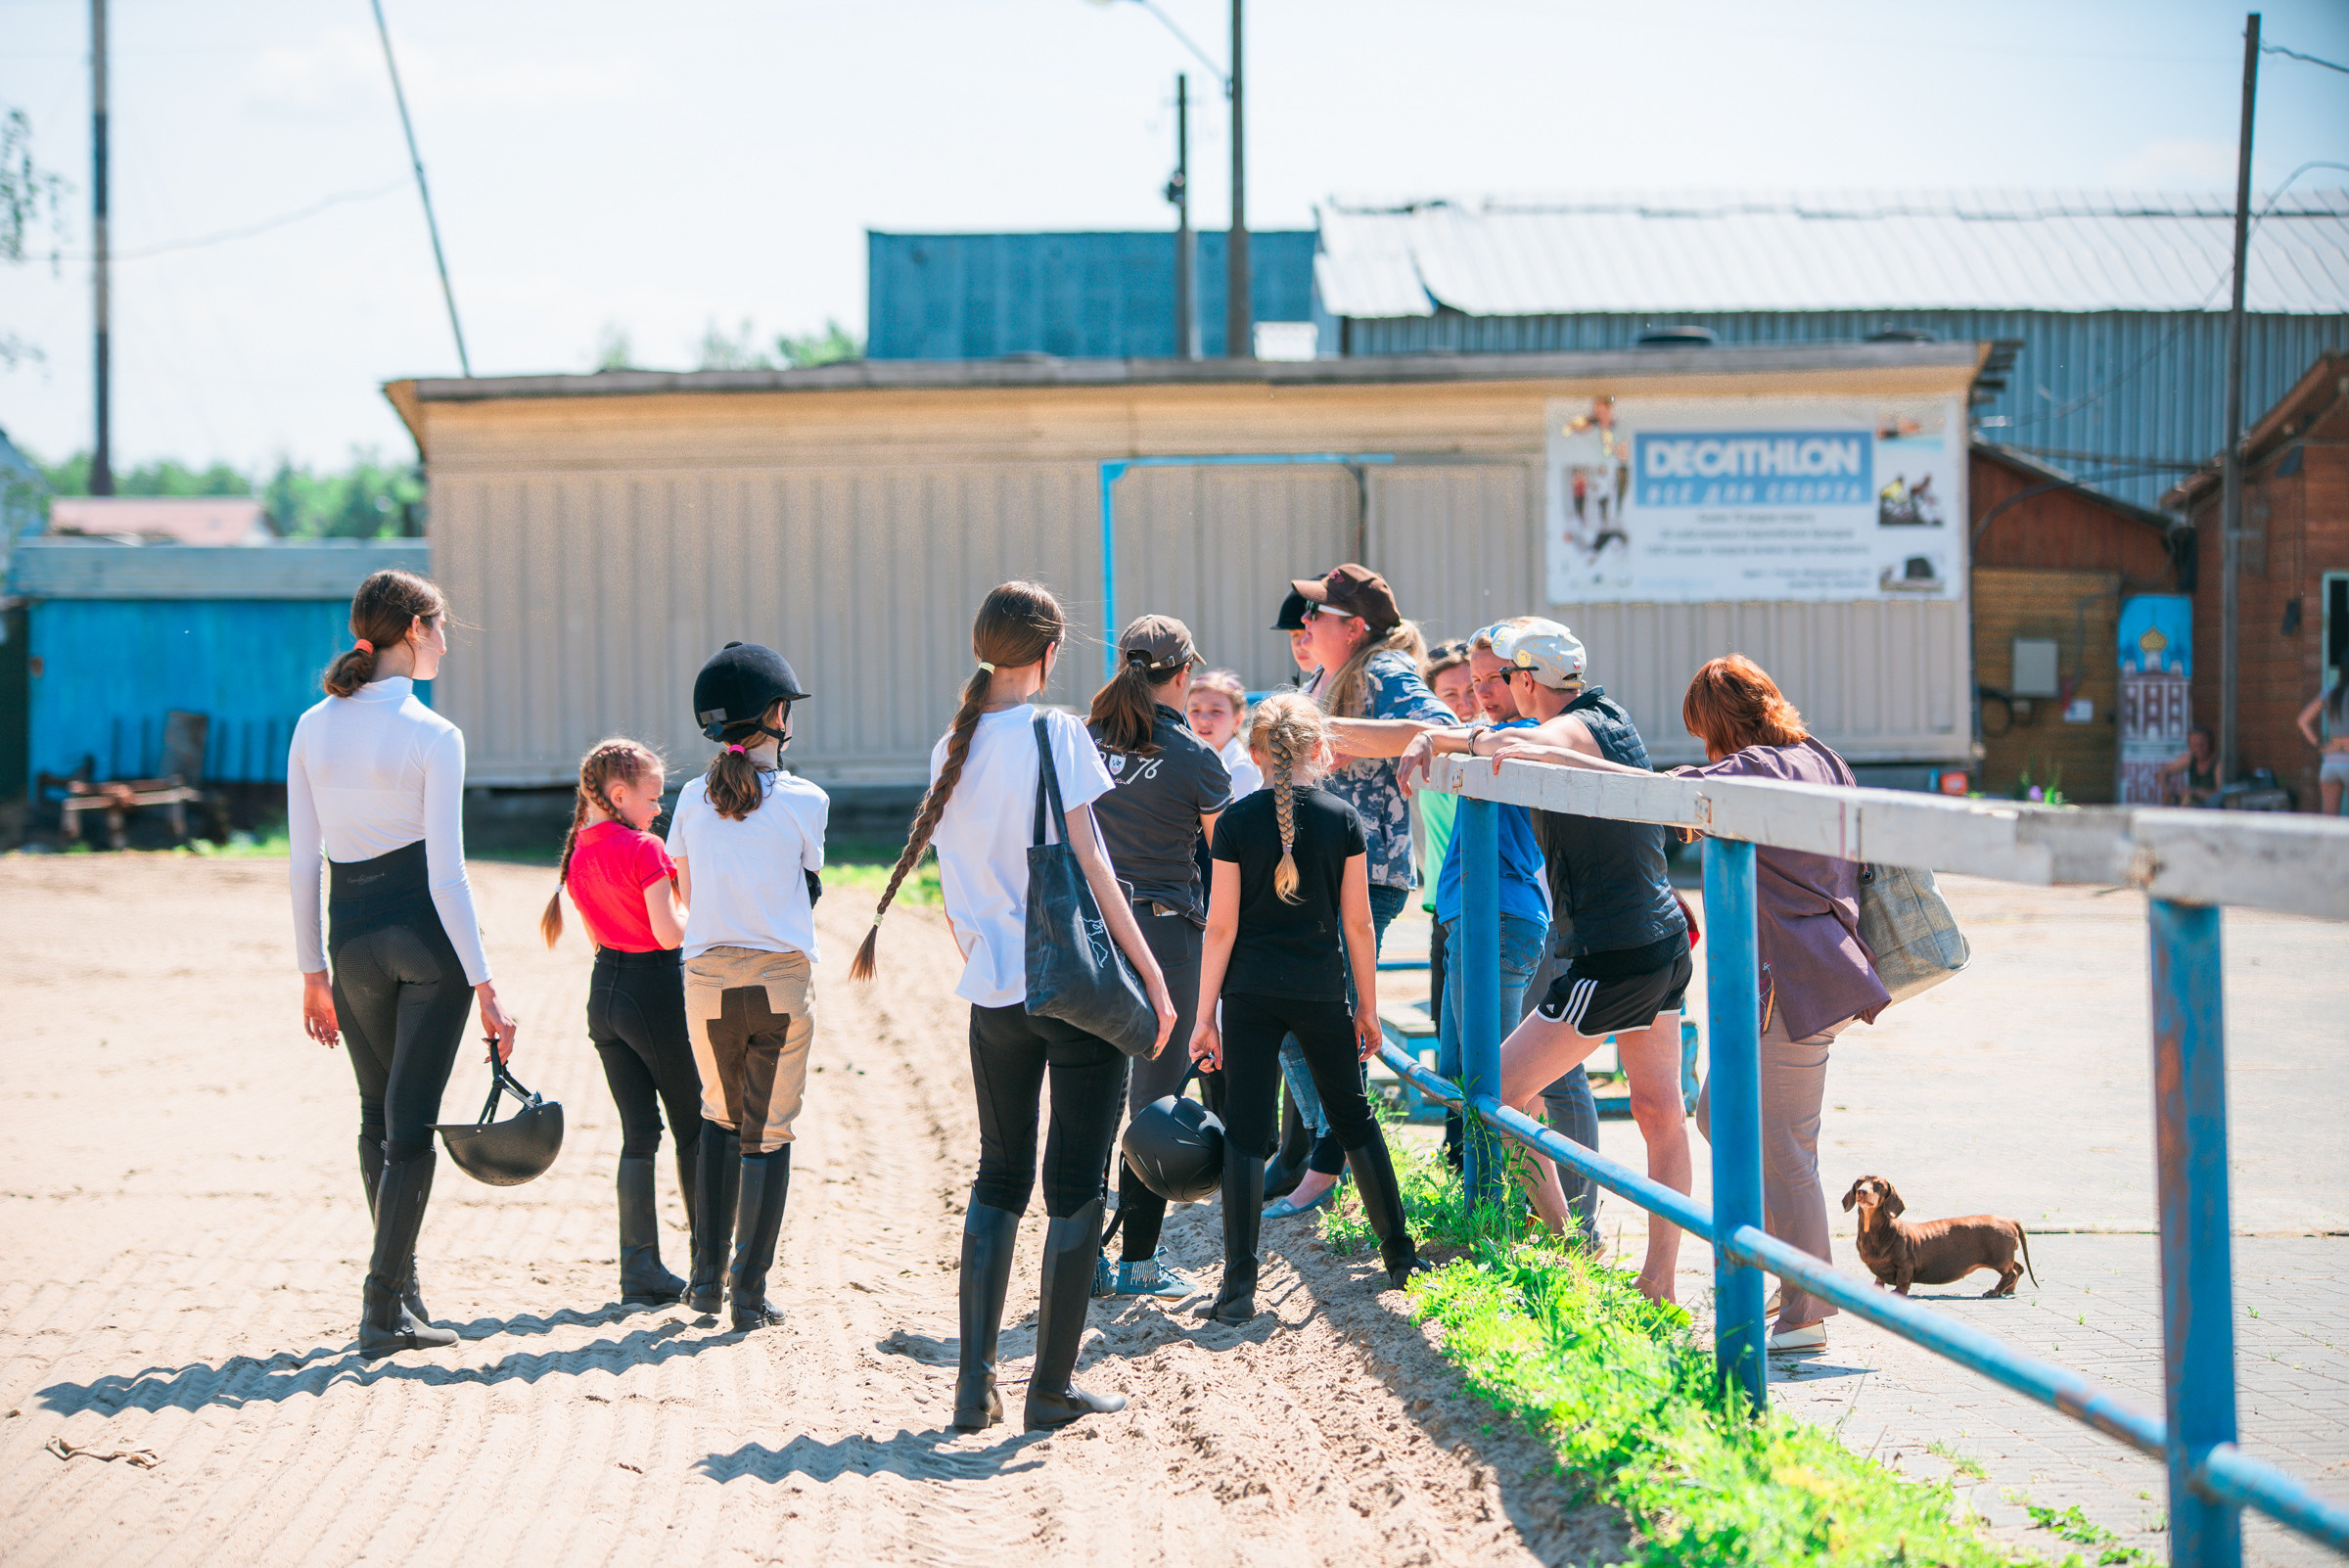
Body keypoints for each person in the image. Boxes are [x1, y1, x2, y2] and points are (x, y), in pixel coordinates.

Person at [852, 581, 1177, 1434]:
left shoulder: (948, 748)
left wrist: (977, 949)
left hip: (994, 988)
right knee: (1074, 1186)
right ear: (1049, 652)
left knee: (998, 1176)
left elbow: (955, 874)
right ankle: (1051, 1389)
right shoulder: (1057, 732)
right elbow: (1093, 866)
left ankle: (973, 1384)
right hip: (1069, 985)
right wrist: (1150, 976)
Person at [1402, 619, 1691, 1304]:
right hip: (1658, 942)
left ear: (1526, 681)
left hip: (1613, 954)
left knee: (1496, 1089)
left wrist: (1446, 736)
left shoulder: (1572, 727)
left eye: (1501, 681)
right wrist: (1444, 734)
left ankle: (1567, 1243)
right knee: (1657, 1109)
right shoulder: (1608, 712)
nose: (1494, 693)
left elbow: (1519, 742)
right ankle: (1658, 1285)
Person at [289, 568, 519, 1358]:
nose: (447, 643)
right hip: (424, 943)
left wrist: (312, 972)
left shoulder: (312, 727)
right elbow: (447, 875)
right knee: (410, 1128)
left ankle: (404, 1292)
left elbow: (301, 864)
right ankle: (383, 1310)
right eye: (441, 627)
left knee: (373, 1116)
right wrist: (485, 983)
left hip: (348, 941)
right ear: (414, 630)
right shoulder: (435, 735)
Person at [1190, 693, 1427, 1323]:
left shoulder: (1236, 823)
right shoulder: (1343, 818)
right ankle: (1400, 1256)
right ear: (1321, 751)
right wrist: (1368, 1008)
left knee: (1246, 1131)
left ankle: (1238, 1287)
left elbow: (1220, 927)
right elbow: (1358, 924)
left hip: (1247, 995)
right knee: (1352, 1117)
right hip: (1321, 990)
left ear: (1256, 752)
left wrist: (1203, 1015)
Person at [1267, 563, 1456, 1218]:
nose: (1304, 621)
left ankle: (1333, 1155)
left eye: (1316, 613)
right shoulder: (1329, 677)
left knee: (1316, 1021)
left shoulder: (1381, 673)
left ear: (1353, 628)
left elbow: (1437, 728)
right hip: (1318, 870)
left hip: (1362, 873)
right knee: (1295, 1018)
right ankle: (1337, 1146)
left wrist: (1336, 734)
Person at [666, 642, 828, 1333]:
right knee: (770, 1133)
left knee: (717, 1119)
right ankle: (750, 1295)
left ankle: (705, 1282)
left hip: (707, 981)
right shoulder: (807, 801)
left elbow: (685, 885)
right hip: (779, 981)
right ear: (775, 716)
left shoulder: (690, 801)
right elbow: (810, 882)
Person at [1086, 617, 1232, 1301]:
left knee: (1086, 1092)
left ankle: (1078, 1257)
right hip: (1166, 935)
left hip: (1089, 931)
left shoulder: (1084, 745)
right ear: (1183, 676)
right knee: (1156, 1104)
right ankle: (1138, 1263)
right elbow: (1225, 859)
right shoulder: (1198, 757)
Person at [540, 738, 701, 1306]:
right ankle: (708, 1268)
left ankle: (639, 1270)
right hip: (654, 989)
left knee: (639, 1134)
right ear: (618, 794)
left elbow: (599, 934)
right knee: (694, 1127)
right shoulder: (644, 848)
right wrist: (696, 904)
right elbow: (668, 934)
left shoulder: (578, 854)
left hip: (604, 995)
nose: (659, 808)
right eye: (652, 797)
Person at [1415, 640, 1477, 1145]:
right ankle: (1459, 1153)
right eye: (1449, 694)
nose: (1463, 703)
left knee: (1484, 1040)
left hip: (1487, 908)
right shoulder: (1431, 748)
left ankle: (1483, 1162)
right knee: (1448, 1039)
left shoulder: (1491, 750)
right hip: (1444, 909)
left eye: (1472, 689)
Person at [1186, 668, 1263, 800]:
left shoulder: (1243, 769)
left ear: (1238, 720)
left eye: (1216, 711)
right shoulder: (1186, 759)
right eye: (1195, 710)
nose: (1204, 720)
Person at [2296, 683, 2349, 815]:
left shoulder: (2330, 693)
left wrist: (2319, 744)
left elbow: (2302, 720)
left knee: (2330, 823)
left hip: (2331, 763)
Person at [2157, 725, 2221, 807]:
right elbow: (2163, 772)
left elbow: (2221, 795)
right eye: (2194, 745)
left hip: (2211, 808)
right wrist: (2166, 789)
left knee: (2187, 799)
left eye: (2202, 744)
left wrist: (2195, 792)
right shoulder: (2190, 758)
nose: (2198, 749)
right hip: (2193, 805)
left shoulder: (2218, 764)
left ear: (2210, 744)